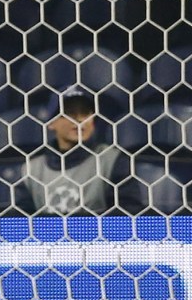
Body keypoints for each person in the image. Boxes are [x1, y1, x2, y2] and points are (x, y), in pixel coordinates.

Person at [14, 86, 140, 215]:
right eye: (69, 113)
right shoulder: (31, 171)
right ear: (51, 122)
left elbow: (127, 219)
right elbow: (22, 225)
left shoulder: (112, 160)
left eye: (85, 113)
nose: (80, 119)